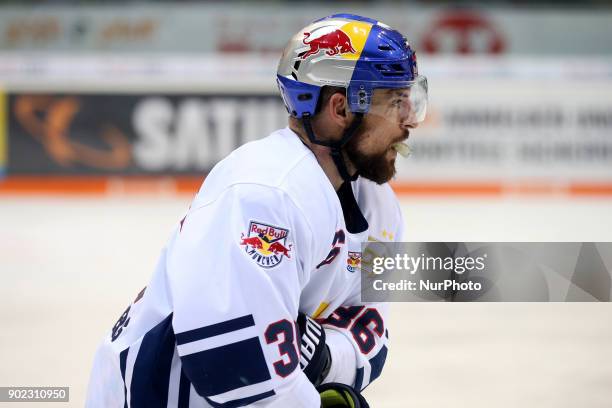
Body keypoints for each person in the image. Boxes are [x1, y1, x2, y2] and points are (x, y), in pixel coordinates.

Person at [86, 13, 427, 408]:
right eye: (395, 102)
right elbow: (236, 372)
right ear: (340, 109)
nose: (411, 121)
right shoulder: (263, 194)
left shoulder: (380, 209)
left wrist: (322, 358)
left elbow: (372, 336)